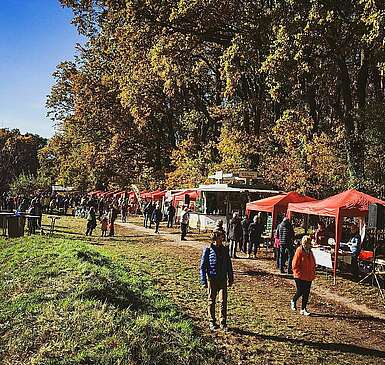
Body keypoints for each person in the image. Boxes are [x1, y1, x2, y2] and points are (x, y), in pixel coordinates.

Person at [200, 221, 234, 331]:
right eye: (220, 236)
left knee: (223, 301)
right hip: (212, 279)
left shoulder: (225, 250)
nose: (222, 238)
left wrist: (231, 277)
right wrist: (203, 280)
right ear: (215, 237)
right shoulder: (208, 250)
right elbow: (203, 266)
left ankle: (223, 322)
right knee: (211, 300)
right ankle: (212, 321)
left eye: (222, 236)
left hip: (222, 279)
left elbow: (229, 264)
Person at [291, 235, 316, 316]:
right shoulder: (299, 251)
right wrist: (298, 273)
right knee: (300, 290)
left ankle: (303, 309)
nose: (310, 245)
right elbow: (294, 264)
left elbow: (313, 262)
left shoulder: (310, 252)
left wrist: (313, 270)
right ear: (305, 243)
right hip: (300, 275)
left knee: (307, 292)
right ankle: (294, 300)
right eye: (309, 243)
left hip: (308, 275)